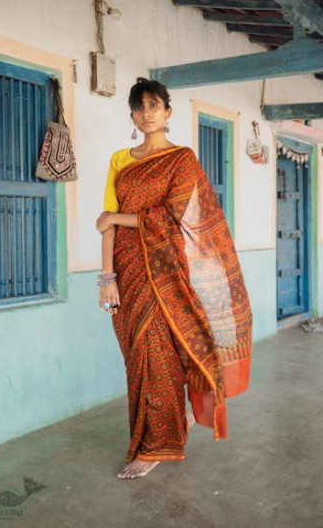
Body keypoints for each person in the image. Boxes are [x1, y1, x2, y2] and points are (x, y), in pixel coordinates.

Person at [96, 77, 252, 480]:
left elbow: (175, 218)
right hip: (127, 271)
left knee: (159, 355)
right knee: (138, 359)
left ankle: (154, 447)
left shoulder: (182, 160)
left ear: (168, 111)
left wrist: (117, 217)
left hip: (167, 273)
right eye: (139, 106)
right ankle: (162, 424)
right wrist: (106, 276)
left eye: (154, 105)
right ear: (131, 114)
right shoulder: (119, 160)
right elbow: (105, 224)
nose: (146, 112)